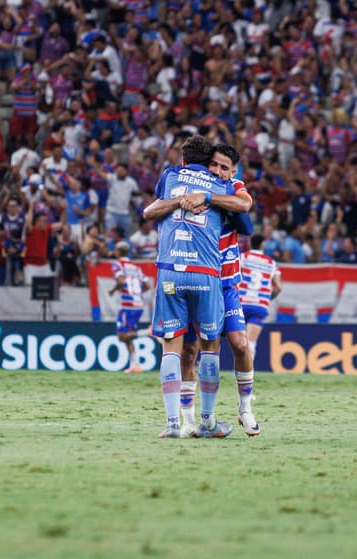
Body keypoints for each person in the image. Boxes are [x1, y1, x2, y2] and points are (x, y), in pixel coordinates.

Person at [142, 135, 250, 438]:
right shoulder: (222, 186)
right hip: (205, 274)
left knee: (172, 348)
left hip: (169, 272)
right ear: (209, 163)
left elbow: (151, 210)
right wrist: (210, 197)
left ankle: (172, 424)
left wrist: (178, 200)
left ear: (183, 160)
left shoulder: (170, 176)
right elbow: (245, 212)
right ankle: (207, 420)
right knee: (209, 347)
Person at [176, 143, 258, 438]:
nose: (218, 171)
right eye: (215, 165)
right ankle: (189, 420)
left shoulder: (233, 187)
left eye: (225, 167)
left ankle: (245, 409)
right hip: (198, 278)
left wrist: (209, 197)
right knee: (190, 350)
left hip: (226, 281)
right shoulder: (188, 185)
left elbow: (245, 207)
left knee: (239, 343)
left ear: (233, 172)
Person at [239, 234, 283, 362]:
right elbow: (278, 287)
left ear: (250, 243)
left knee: (236, 342)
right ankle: (248, 376)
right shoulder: (272, 263)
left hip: (241, 303)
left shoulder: (243, 257)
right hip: (259, 305)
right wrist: (267, 299)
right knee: (250, 343)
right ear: (263, 245)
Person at [108, 241, 151, 374]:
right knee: (129, 335)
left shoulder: (118, 265)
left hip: (127, 305)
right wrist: (137, 293)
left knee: (122, 335)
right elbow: (147, 285)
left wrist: (115, 289)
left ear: (119, 251)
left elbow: (121, 280)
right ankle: (135, 364)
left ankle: (148, 332)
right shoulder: (136, 268)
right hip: (138, 304)